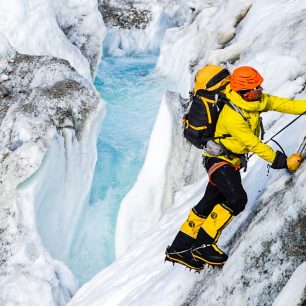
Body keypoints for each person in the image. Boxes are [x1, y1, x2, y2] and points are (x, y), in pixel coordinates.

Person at [165, 66, 306, 271]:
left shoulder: (255, 100)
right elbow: (254, 145)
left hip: (230, 161)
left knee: (208, 202)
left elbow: (284, 103)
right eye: (256, 86)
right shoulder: (232, 116)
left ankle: (179, 248)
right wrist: (283, 162)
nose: (261, 88)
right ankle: (203, 244)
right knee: (237, 199)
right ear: (244, 92)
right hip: (219, 161)